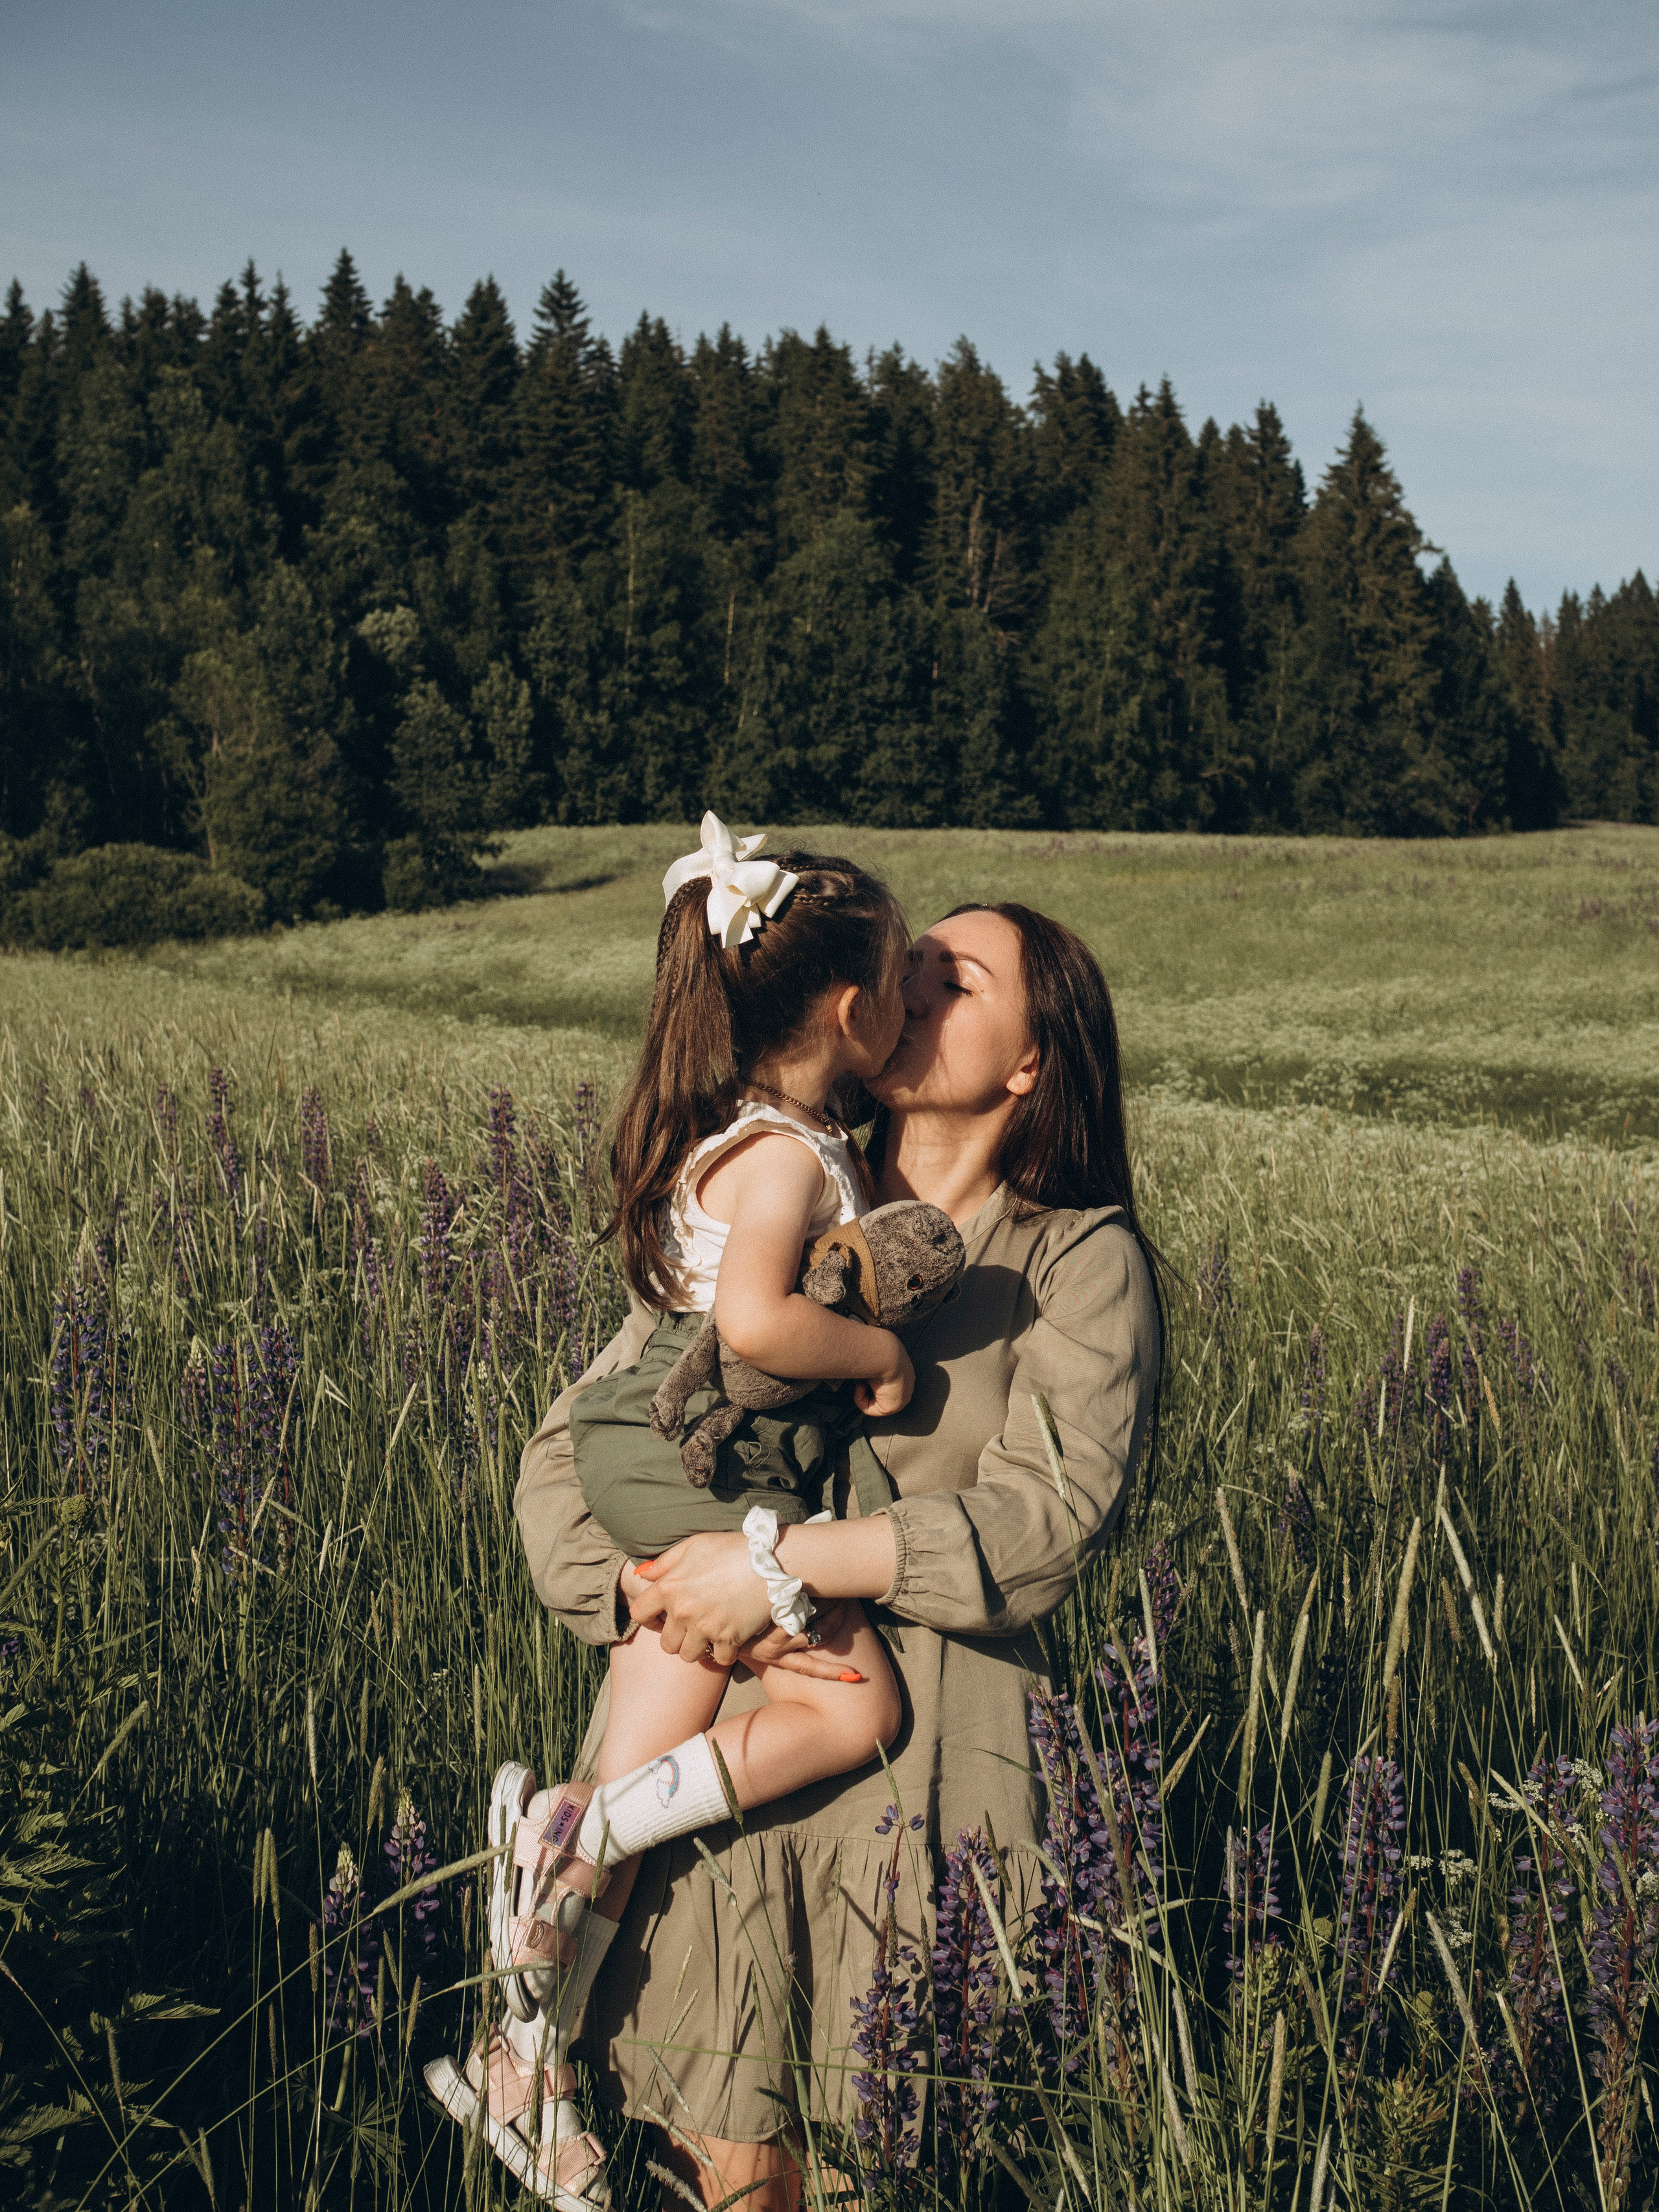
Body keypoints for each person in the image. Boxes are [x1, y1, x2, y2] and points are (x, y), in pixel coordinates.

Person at [505, 892, 1165, 2209]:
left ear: (1029, 1060)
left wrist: (792, 1564)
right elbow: (570, 1455)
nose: (911, 984)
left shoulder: (1077, 1261)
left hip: (927, 1806)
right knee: (711, 2174)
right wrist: (655, 1589)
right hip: (710, 1795)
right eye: (908, 966)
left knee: (888, 2162)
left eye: (955, 980)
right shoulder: (785, 1188)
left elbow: (1042, 1526)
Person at [428, 815, 923, 2204]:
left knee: (620, 1783)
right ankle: (581, 1835)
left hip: (648, 1440)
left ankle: (525, 2065)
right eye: (900, 980)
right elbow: (760, 1320)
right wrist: (879, 1355)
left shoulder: (751, 1129)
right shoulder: (784, 1160)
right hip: (704, 1457)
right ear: (851, 1009)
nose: (909, 1002)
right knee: (852, 1711)